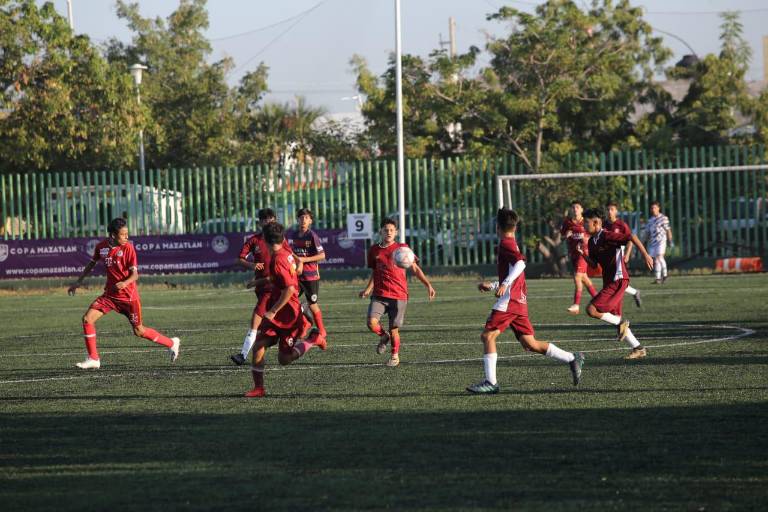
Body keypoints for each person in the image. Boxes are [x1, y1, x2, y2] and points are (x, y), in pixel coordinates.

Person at [466, 208, 585, 394]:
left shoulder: (506, 244)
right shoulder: (511, 243)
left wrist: (504, 284)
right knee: (530, 343)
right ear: (515, 226)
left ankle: (491, 382)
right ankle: (572, 358)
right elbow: (516, 273)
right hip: (518, 299)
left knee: (488, 336)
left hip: (511, 300)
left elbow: (521, 264)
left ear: (497, 227)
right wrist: (494, 285)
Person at [67, 218, 180, 369]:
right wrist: (78, 281)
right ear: (113, 235)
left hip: (128, 298)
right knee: (87, 319)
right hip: (110, 296)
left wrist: (125, 283)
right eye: (123, 234)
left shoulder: (128, 248)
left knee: (139, 331)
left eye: (127, 233)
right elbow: (92, 263)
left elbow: (135, 275)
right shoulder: (101, 247)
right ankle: (94, 358)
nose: (127, 237)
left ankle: (172, 343)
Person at [243, 222, 326, 397]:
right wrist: (258, 282)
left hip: (288, 316)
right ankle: (259, 388)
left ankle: (313, 339)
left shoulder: (278, 259)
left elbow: (289, 289)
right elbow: (279, 277)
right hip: (278, 314)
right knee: (259, 345)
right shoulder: (284, 253)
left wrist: (272, 310)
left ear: (264, 240)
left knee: (284, 359)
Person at [359, 218, 436, 367]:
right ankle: (383, 336)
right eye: (385, 230)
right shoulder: (374, 250)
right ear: (380, 231)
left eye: (391, 230)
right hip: (379, 294)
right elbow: (375, 271)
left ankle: (394, 356)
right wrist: (368, 289)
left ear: (396, 232)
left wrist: (428, 285)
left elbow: (414, 268)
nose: (388, 232)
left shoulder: (403, 248)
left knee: (394, 329)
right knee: (371, 323)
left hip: (398, 295)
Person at [579, 208, 654, 360]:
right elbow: (594, 265)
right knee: (610, 315)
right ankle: (638, 348)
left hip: (619, 279)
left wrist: (646, 255)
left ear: (596, 223)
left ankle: (622, 323)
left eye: (586, 222)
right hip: (609, 281)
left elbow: (631, 236)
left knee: (591, 309)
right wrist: (583, 254)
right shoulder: (592, 242)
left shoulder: (606, 235)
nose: (583, 226)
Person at [230, 208, 296, 366]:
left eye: (271, 218)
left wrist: (298, 264)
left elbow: (290, 256)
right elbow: (239, 259)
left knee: (257, 320)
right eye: (265, 219)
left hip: (273, 287)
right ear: (260, 222)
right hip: (262, 286)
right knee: (272, 323)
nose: (268, 221)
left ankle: (243, 354)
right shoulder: (254, 240)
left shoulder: (280, 239)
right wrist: (252, 265)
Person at [285, 208, 327, 337]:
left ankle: (322, 331)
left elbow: (322, 255)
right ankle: (305, 323)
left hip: (310, 276)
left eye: (306, 218)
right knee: (289, 301)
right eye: (301, 217)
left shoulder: (312, 236)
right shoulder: (293, 235)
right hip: (296, 275)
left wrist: (304, 260)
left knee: (312, 304)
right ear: (298, 220)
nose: (304, 220)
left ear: (310, 221)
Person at [561, 200, 598, 315]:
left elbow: (596, 234)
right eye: (573, 207)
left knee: (577, 276)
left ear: (581, 209)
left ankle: (576, 305)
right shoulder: (567, 223)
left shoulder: (587, 221)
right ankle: (599, 300)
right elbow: (562, 237)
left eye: (577, 207)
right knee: (584, 279)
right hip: (574, 255)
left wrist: (587, 240)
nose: (575, 209)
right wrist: (565, 236)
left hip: (584, 254)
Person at [604, 201, 642, 308]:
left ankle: (614, 309)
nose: (610, 212)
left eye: (612, 209)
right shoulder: (604, 224)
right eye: (608, 209)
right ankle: (634, 292)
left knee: (618, 282)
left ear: (616, 211)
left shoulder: (621, 225)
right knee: (615, 282)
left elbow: (630, 239)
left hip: (618, 256)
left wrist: (628, 254)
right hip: (608, 257)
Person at [644, 201, 673, 284]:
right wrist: (645, 241)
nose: (653, 209)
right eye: (652, 208)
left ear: (658, 208)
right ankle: (658, 278)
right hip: (653, 243)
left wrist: (670, 240)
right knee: (655, 260)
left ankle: (665, 275)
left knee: (659, 257)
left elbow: (668, 230)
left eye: (655, 207)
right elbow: (647, 233)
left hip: (661, 241)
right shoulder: (650, 221)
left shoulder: (663, 218)